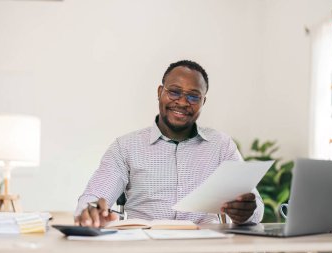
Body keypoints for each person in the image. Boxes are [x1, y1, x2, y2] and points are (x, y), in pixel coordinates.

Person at [75, 60, 264, 227]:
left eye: (193, 96)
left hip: (205, 246)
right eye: (174, 92)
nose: (182, 102)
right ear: (160, 92)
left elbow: (256, 208)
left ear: (203, 101)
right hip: (145, 247)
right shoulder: (125, 147)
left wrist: (246, 212)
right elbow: (93, 197)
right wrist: (90, 210)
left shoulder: (221, 145)